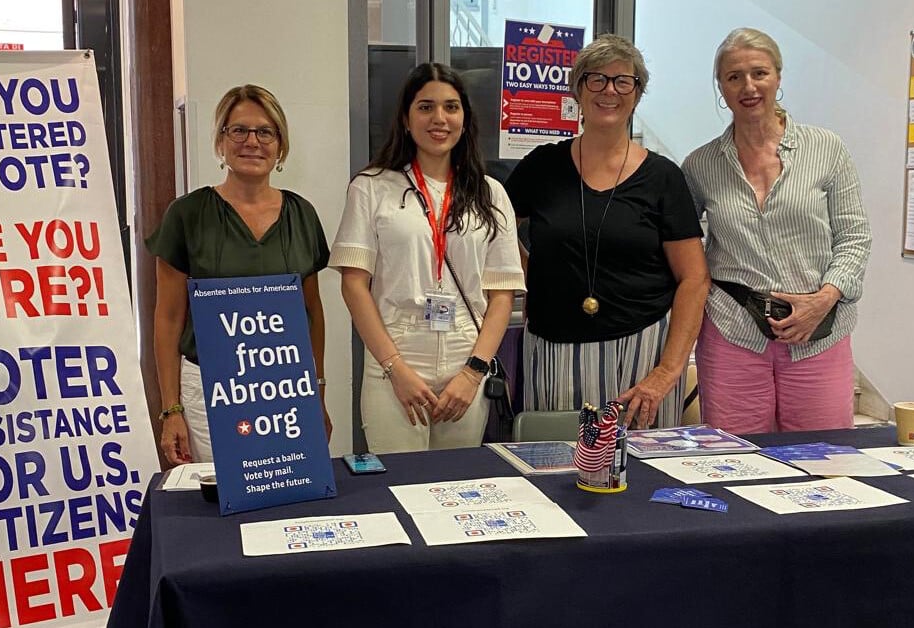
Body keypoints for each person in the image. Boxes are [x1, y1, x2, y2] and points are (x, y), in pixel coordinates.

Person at [505, 35, 709, 429]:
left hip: (641, 355)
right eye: (596, 79)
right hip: (553, 352)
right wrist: (530, 275)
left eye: (623, 81)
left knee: (640, 476)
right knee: (558, 467)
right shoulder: (542, 166)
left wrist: (668, 371)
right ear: (578, 91)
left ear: (637, 93)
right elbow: (494, 229)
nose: (609, 90)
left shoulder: (663, 177)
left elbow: (695, 278)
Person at [682, 28, 871, 434]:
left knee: (825, 461)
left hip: (819, 334)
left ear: (778, 77)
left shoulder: (827, 148)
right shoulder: (700, 166)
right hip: (733, 332)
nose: (748, 86)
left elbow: (855, 237)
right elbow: (682, 245)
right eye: (734, 77)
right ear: (721, 86)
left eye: (759, 73)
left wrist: (824, 299)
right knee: (733, 460)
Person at [330, 63, 524, 454]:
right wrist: (395, 369)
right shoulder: (372, 187)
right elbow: (354, 285)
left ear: (465, 119)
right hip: (395, 359)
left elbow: (502, 294)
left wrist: (473, 374)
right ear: (406, 118)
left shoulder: (491, 194)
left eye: (451, 107)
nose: (439, 118)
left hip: (465, 360)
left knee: (454, 486)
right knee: (399, 486)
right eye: (425, 107)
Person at [147, 85, 331, 465]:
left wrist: (318, 392)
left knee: (285, 495)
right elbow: (167, 320)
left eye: (266, 132)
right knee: (220, 505)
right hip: (210, 388)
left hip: (285, 388)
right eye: (239, 130)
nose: (252, 141)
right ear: (220, 142)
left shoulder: (302, 215)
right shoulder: (187, 215)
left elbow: (312, 313)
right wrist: (171, 410)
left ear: (280, 146)